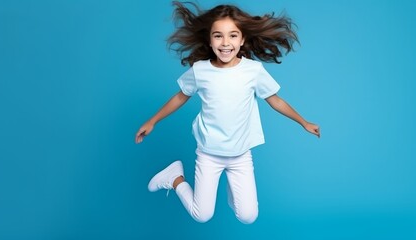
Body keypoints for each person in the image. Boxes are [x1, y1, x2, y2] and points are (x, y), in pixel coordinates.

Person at [135, 1, 320, 224]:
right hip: (208, 154)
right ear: (210, 40)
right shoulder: (200, 70)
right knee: (202, 215)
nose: (225, 43)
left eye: (233, 35)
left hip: (240, 156)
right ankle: (175, 178)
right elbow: (180, 96)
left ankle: (237, 194)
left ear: (242, 40)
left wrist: (303, 122)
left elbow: (275, 100)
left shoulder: (253, 71)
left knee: (248, 216)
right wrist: (153, 120)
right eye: (218, 36)